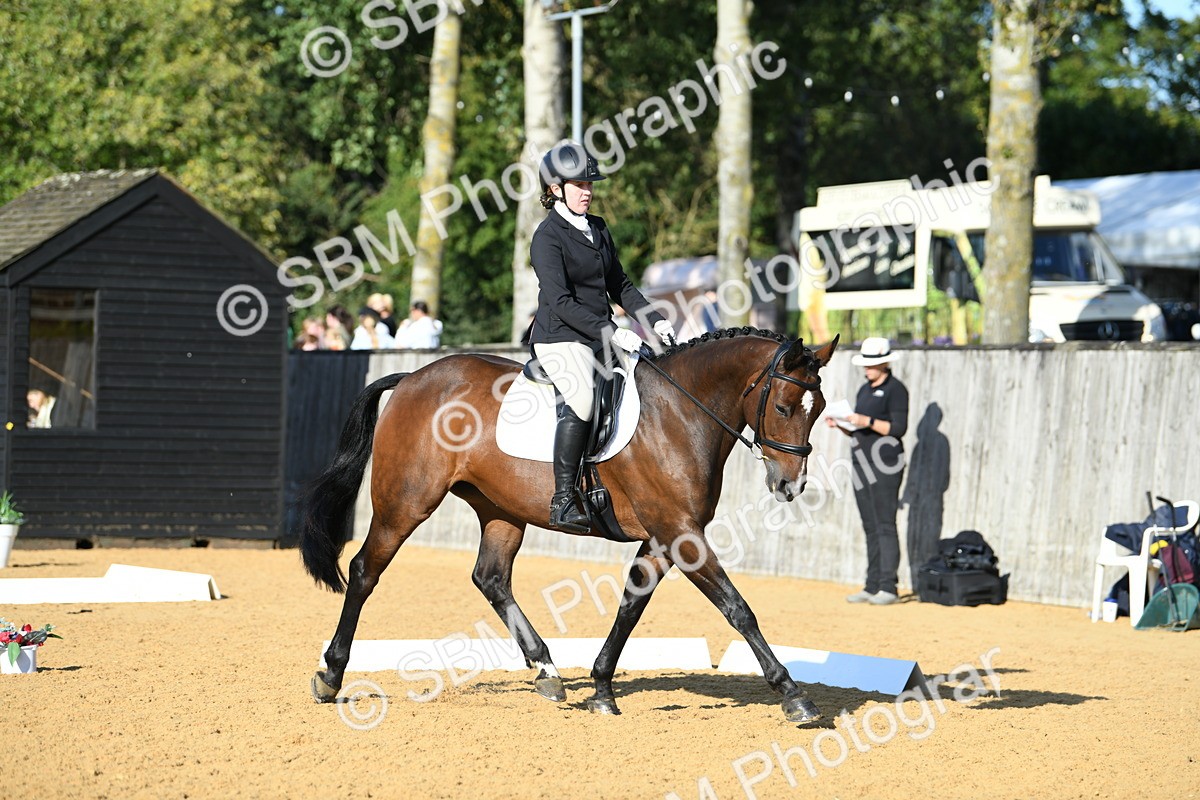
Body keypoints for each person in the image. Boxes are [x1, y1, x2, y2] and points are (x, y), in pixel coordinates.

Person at [528, 141, 676, 534]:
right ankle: (563, 498)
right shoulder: (547, 237)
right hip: (560, 337)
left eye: (590, 184)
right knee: (582, 397)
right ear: (555, 188)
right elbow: (559, 301)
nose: (588, 191)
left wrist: (654, 320)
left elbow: (620, 285)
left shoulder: (598, 228)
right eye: (579, 184)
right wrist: (612, 332)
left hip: (602, 336)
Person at [825, 337, 909, 605]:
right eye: (866, 365)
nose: (867, 369)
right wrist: (841, 424)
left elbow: (897, 429)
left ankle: (889, 586)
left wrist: (866, 420)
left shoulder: (896, 390)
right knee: (870, 525)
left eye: (872, 365)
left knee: (885, 524)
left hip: (885, 463)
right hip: (861, 462)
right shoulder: (864, 390)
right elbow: (859, 429)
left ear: (885, 363)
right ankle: (872, 584)